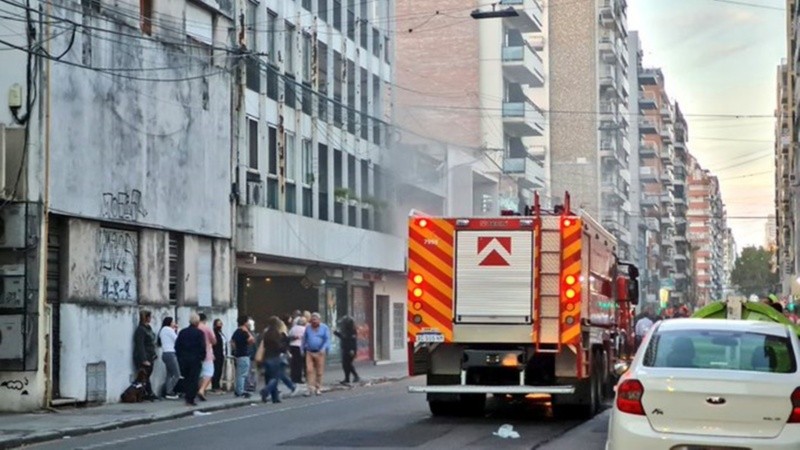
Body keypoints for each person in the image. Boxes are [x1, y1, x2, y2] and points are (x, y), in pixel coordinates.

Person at [259, 316, 298, 403]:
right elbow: (279, 347)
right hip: (275, 357)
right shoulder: (276, 333)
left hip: (266, 357)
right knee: (275, 378)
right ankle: (265, 391)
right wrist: (285, 347)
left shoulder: (266, 334)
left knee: (269, 377)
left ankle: (275, 397)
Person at [175, 313, 206, 406]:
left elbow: (177, 346)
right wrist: (202, 357)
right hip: (195, 359)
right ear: (197, 322)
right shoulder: (199, 333)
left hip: (183, 359)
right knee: (194, 379)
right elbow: (202, 347)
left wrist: (179, 357)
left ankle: (187, 396)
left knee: (186, 378)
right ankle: (190, 398)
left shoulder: (182, 332)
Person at [303, 312, 330, 396]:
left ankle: (318, 388)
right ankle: (310, 388)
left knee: (319, 371)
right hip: (309, 351)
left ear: (319, 320)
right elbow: (304, 339)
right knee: (309, 370)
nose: (314, 322)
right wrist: (303, 347)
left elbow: (327, 339)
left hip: (320, 352)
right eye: (312, 320)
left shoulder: (324, 328)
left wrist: (324, 348)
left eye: (315, 320)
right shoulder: (308, 328)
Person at [133, 310, 158, 400]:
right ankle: (148, 393)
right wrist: (143, 359)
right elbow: (140, 345)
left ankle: (146, 392)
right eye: (149, 317)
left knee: (147, 375)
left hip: (150, 355)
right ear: (146, 318)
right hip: (145, 356)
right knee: (144, 375)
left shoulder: (148, 328)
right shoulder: (140, 330)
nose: (151, 319)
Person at [230, 315, 255, 398]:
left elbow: (232, 342)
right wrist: (248, 332)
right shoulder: (244, 332)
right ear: (245, 322)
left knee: (240, 373)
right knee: (242, 374)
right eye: (248, 321)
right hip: (244, 354)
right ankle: (240, 390)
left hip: (238, 354)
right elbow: (251, 340)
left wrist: (235, 350)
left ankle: (239, 389)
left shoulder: (237, 331)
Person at [157, 317, 181, 400]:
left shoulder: (162, 330)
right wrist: (177, 329)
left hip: (165, 354)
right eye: (173, 322)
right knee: (177, 374)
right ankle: (169, 391)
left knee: (169, 374)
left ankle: (168, 391)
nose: (174, 323)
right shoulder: (168, 329)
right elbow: (177, 340)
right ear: (169, 323)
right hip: (171, 353)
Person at [334, 316, 360, 384]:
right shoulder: (346, 331)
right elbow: (343, 337)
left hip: (350, 349)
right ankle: (347, 378)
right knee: (346, 364)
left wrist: (352, 350)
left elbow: (351, 341)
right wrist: (337, 333)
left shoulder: (352, 331)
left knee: (347, 364)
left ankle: (354, 376)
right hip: (345, 348)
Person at [197, 313, 217, 401]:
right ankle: (202, 390)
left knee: (200, 374)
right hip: (207, 353)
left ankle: (200, 389)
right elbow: (214, 341)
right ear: (204, 320)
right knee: (209, 373)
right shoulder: (206, 328)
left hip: (196, 354)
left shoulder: (194, 327)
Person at [288, 316, 307, 383]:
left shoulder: (293, 328)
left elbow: (289, 336)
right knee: (299, 364)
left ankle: (293, 377)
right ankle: (298, 378)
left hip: (292, 346)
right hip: (300, 346)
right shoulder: (304, 329)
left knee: (294, 363)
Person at [212, 318, 226, 392]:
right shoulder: (214, 333)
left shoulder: (221, 333)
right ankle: (215, 385)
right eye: (219, 323)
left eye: (221, 323)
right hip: (217, 353)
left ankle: (217, 384)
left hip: (222, 354)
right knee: (216, 370)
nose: (221, 325)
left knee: (220, 370)